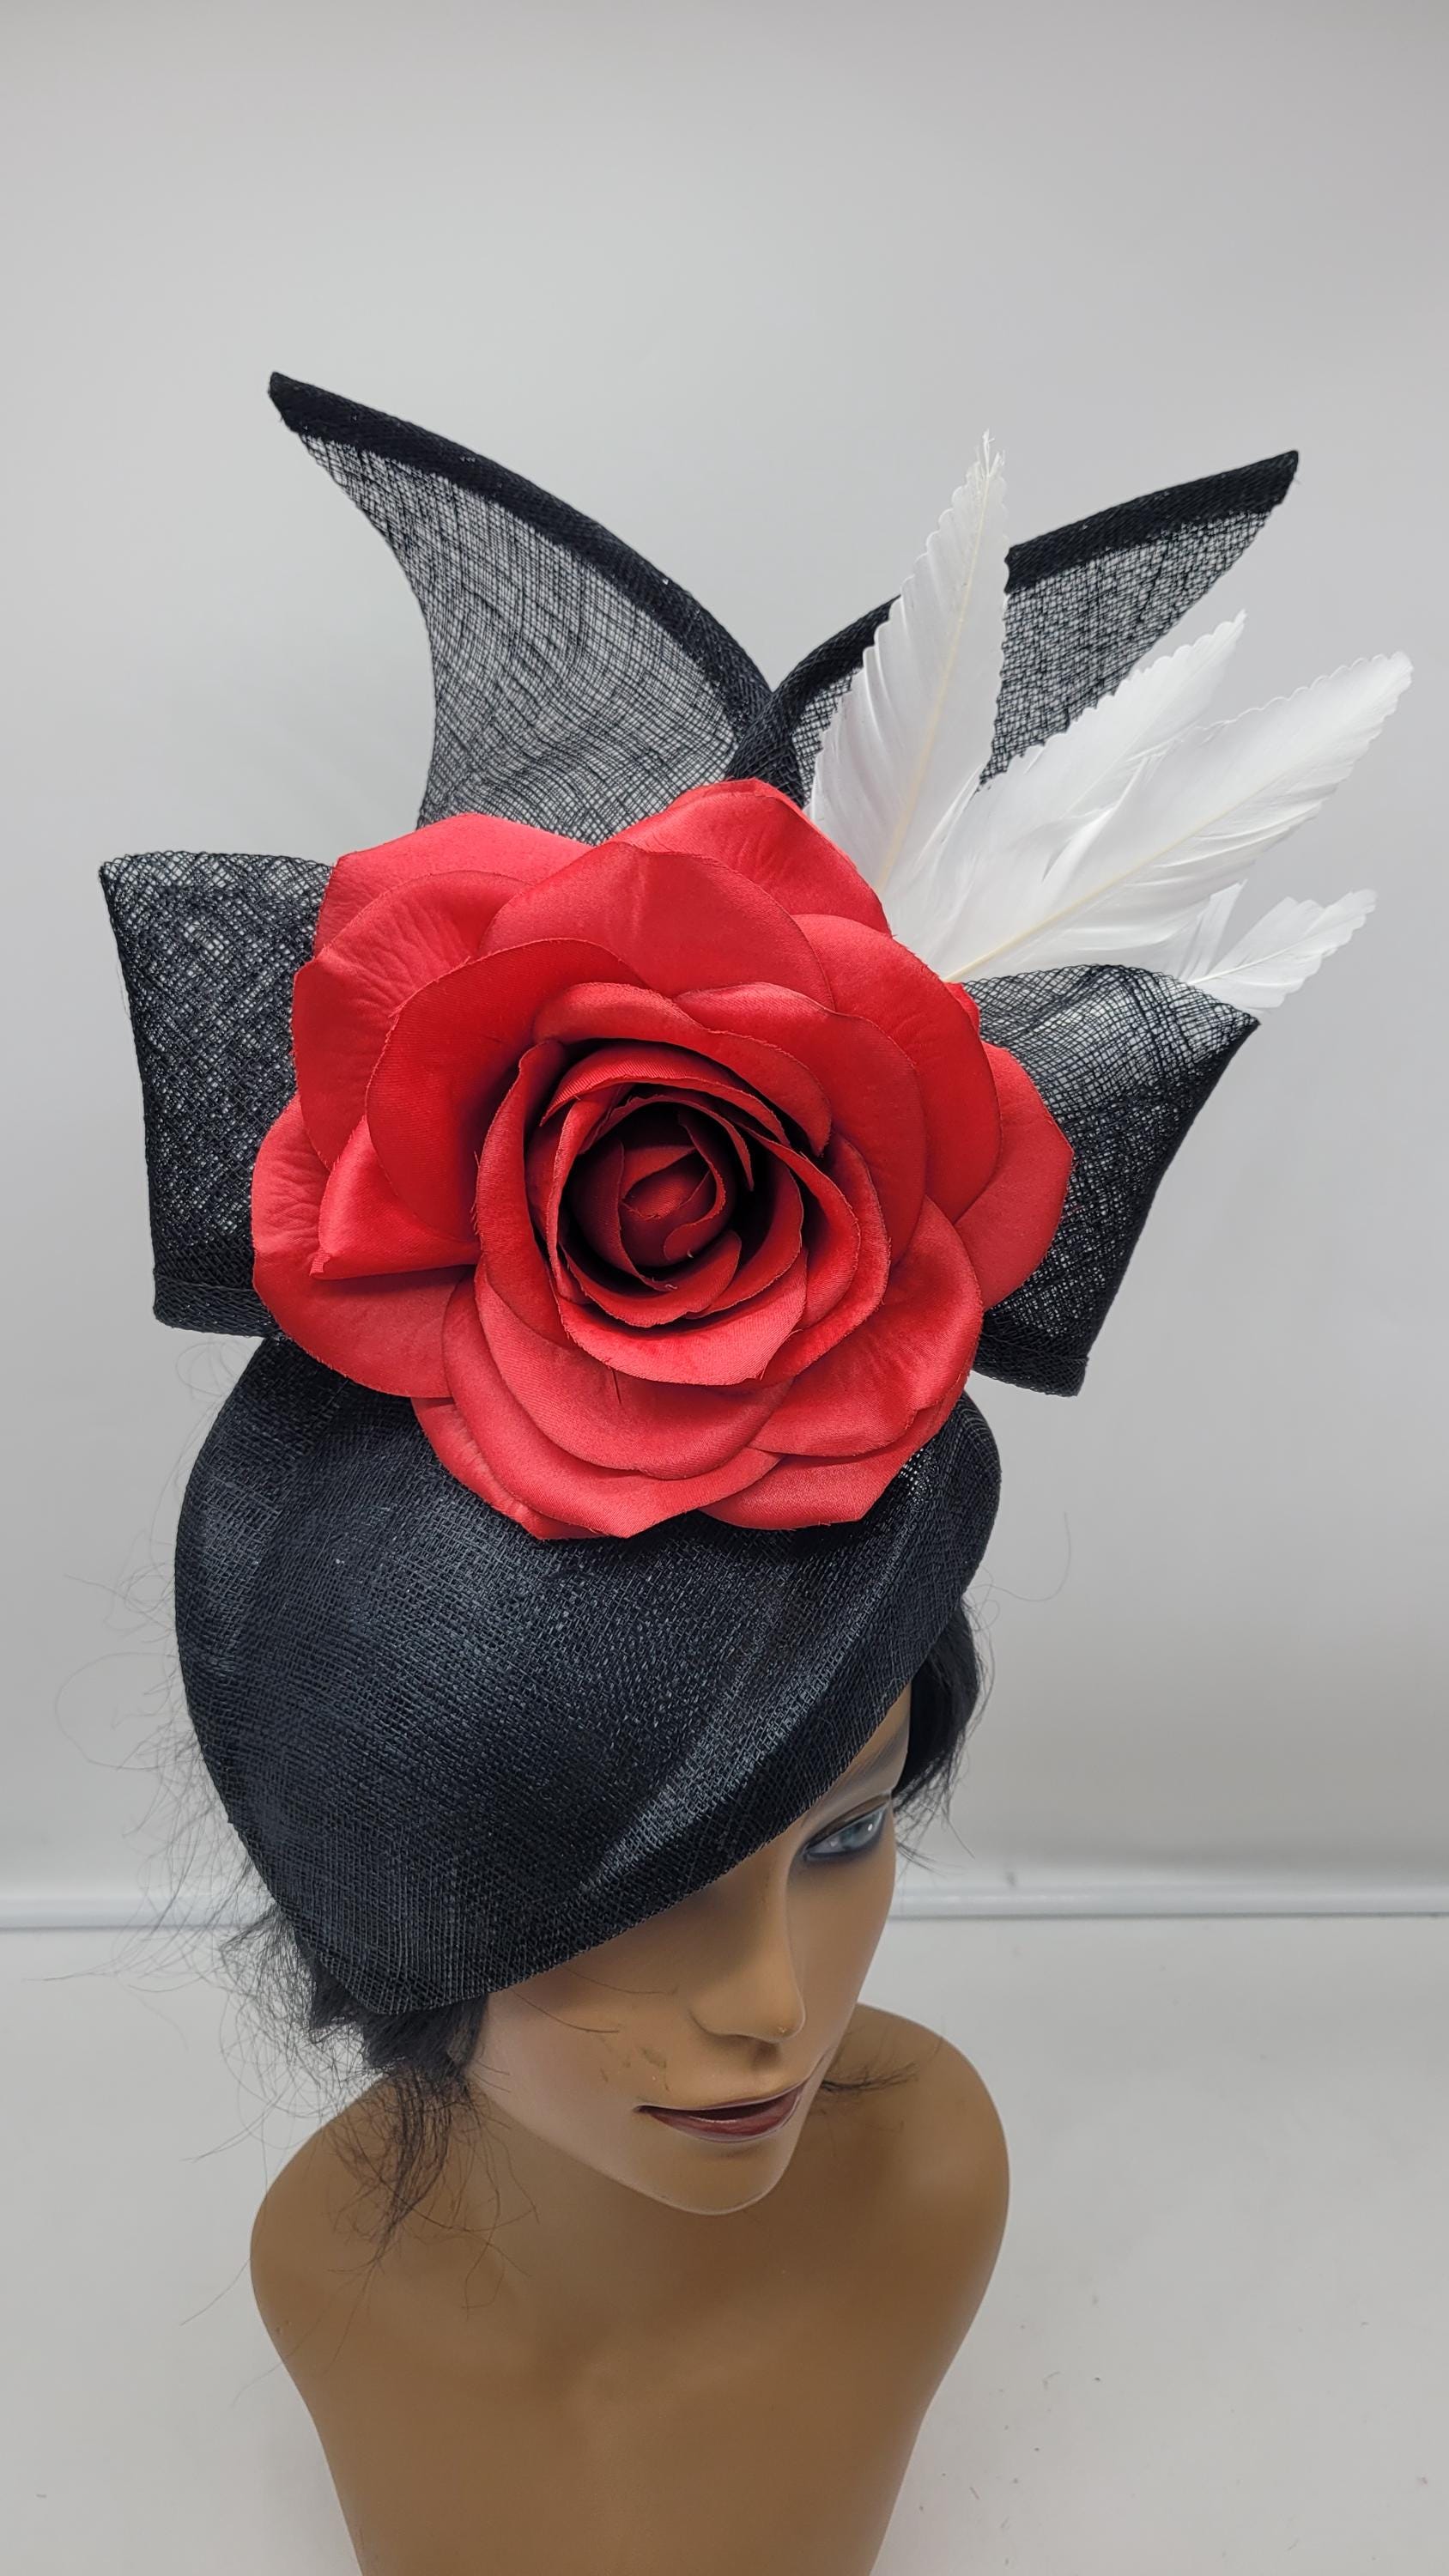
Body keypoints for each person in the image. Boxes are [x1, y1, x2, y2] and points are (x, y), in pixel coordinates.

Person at [102, 372, 1407, 2574]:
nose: (771, 2009)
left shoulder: (924, 2182)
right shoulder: (330, 2275)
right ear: (382, 1869)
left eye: (847, 1833)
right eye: (631, 1893)